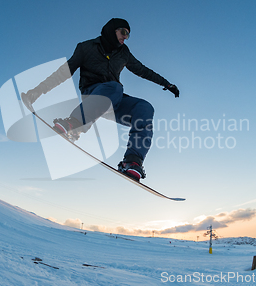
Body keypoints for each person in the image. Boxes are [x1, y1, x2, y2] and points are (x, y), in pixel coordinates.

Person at [21, 18, 179, 181]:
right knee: (114, 86)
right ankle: (73, 124)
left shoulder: (124, 53)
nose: (125, 37)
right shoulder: (86, 48)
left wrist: (167, 84)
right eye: (123, 32)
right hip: (92, 96)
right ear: (112, 30)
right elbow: (63, 73)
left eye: (128, 35)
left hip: (114, 101)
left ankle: (132, 162)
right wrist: (35, 93)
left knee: (145, 107)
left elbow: (143, 70)